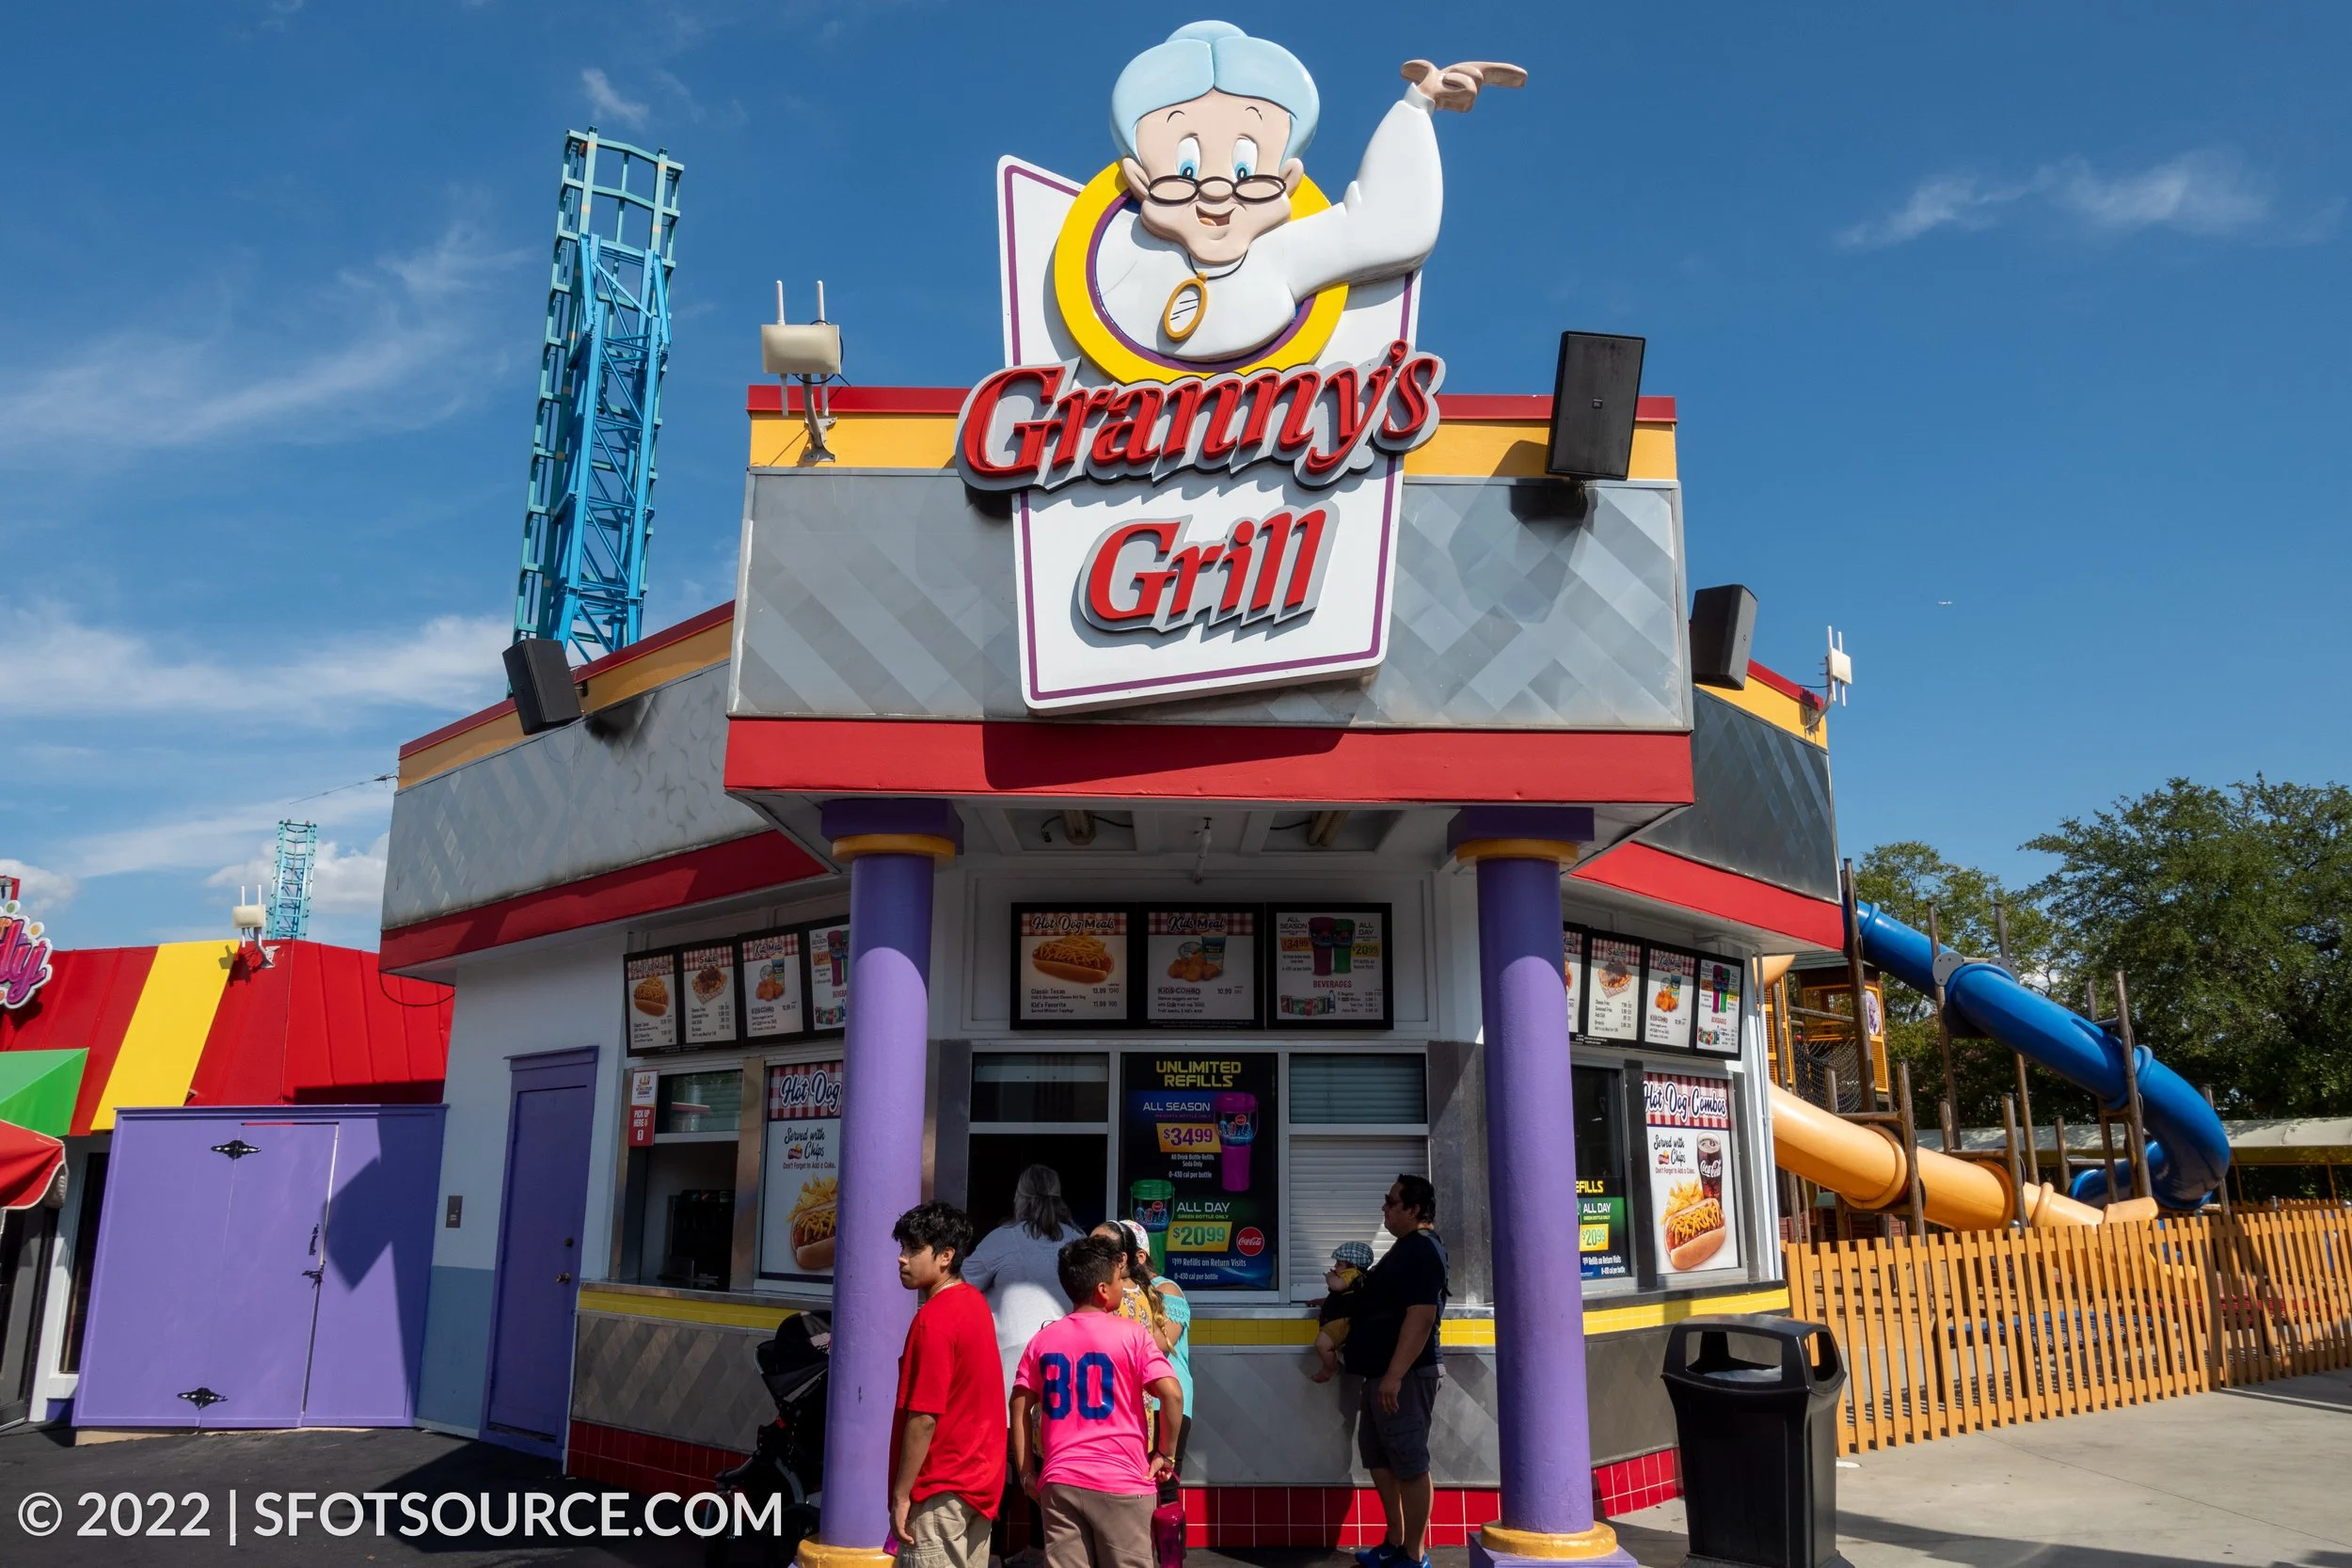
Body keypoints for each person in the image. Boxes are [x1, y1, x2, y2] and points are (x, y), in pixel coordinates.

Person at [1101, 23, 1525, 361]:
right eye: (1187, 170)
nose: (1216, 189)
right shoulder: (1105, 258)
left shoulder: (1282, 254)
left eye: (1245, 168)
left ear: (1286, 176)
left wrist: (1417, 106)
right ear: (1139, 179)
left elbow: (1389, 226)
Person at [1010, 1234, 1184, 1568]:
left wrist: (1027, 1473)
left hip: (1060, 1482)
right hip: (1123, 1484)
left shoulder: (1043, 1340)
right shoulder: (1133, 1336)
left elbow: (1019, 1404)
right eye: (1120, 1280)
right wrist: (1166, 1454)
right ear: (1103, 1290)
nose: (1124, 1287)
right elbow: (1172, 1394)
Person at [967, 1166, 1088, 1561]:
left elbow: (961, 1286)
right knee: (1047, 1463)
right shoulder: (1078, 1241)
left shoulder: (1002, 1241)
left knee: (1002, 1470)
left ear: (1019, 1198)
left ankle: (996, 1553)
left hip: (1007, 1373)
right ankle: (1041, 1552)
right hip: (1064, 1374)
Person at [890, 1202, 1007, 1568]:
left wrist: (901, 1493)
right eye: (902, 1248)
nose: (902, 1259)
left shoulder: (934, 1320)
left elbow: (924, 1417)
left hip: (940, 1486)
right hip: (979, 1483)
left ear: (946, 1256)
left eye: (913, 1250)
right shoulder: (974, 1303)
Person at [1343, 1175, 1448, 1568]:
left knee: (1409, 1461)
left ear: (1414, 1209)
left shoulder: (1423, 1250)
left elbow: (1421, 1317)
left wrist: (1394, 1376)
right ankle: (1395, 1540)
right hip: (1380, 1375)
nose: (1384, 1209)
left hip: (1403, 1377)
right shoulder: (1404, 1249)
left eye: (1390, 1202)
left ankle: (1413, 1553)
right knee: (1380, 1458)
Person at [1096, 1219, 1192, 1568]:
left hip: (1166, 1401)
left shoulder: (1167, 1290)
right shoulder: (1109, 1291)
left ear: (1134, 1256)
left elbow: (1156, 1347)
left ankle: (1169, 1560)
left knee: (1163, 1485)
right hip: (1127, 1401)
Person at [1310, 1240, 1375, 1384]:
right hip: (1339, 1319)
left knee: (1323, 1344)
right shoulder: (1350, 1280)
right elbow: (1339, 1298)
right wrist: (1318, 1302)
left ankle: (1329, 1369)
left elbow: (1337, 1286)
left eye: (1339, 1264)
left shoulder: (1352, 1273)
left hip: (1342, 1320)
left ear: (1354, 1265)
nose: (1335, 1268)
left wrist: (1330, 1277)